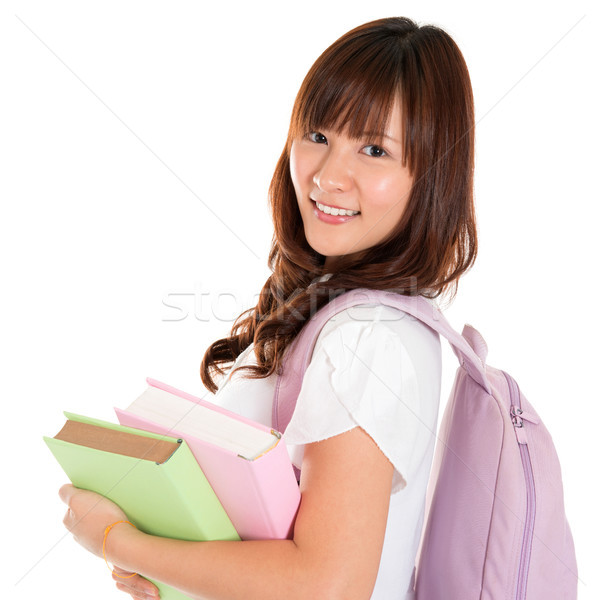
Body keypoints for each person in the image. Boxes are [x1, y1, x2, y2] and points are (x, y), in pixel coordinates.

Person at [59, 16, 477, 600]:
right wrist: (175, 575)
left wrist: (114, 539)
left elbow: (326, 584)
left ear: (431, 176)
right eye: (318, 135)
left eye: (375, 149)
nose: (330, 176)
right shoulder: (339, 310)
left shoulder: (368, 334)